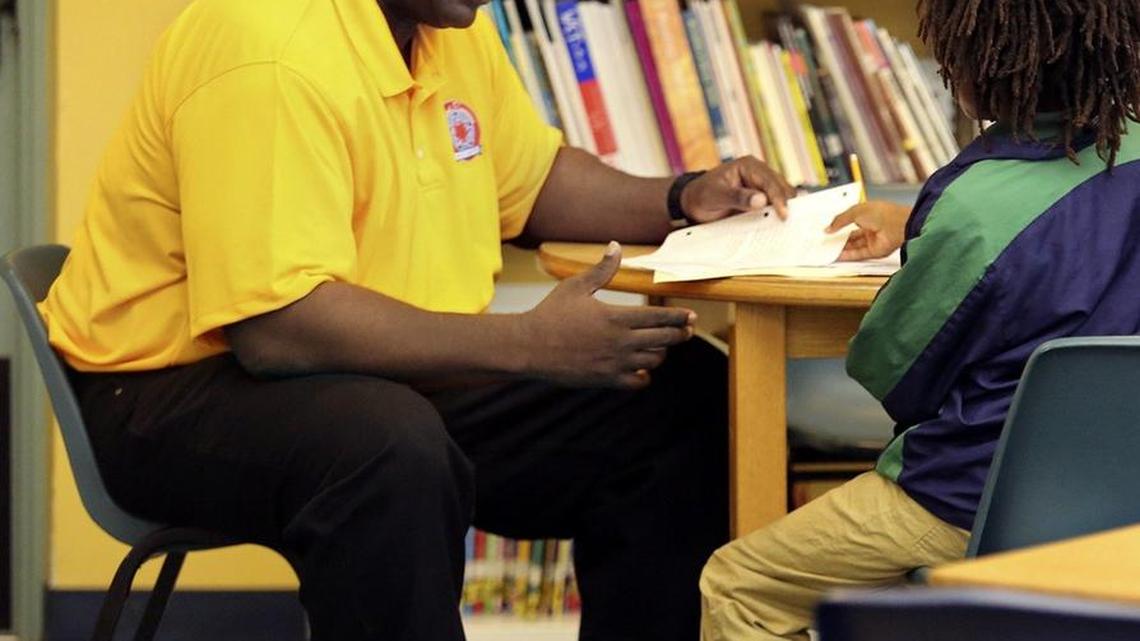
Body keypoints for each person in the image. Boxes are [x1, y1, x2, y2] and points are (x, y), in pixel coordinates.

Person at [40, 0, 798, 640]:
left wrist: (681, 196)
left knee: (682, 394)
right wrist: (525, 344)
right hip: (161, 388)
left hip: (377, 368)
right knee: (384, 445)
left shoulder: (448, 30)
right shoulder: (266, 43)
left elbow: (530, 184)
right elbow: (278, 329)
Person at [699, 0, 1140, 639]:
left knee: (740, 583)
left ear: (973, 66)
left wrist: (931, 243)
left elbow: (894, 372)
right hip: (1122, 497)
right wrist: (915, 224)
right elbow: (1075, 228)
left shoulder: (971, 208)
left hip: (971, 499)